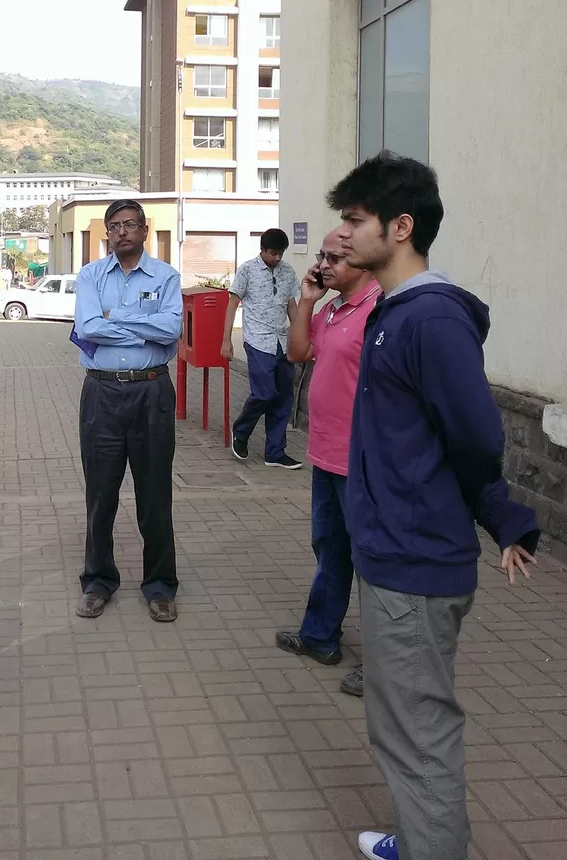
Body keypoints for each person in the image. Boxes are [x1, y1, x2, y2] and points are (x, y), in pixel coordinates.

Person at [327, 152, 539, 860]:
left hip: (416, 564)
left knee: (418, 729)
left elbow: (475, 436)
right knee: (400, 722)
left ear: (401, 227)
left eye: (355, 220)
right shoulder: (394, 313)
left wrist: (502, 513)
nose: (343, 234)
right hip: (395, 553)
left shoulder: (430, 321)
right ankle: (421, 838)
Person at [278, 229, 381, 697]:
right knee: (331, 548)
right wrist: (307, 301)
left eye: (335, 258)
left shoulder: (380, 309)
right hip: (327, 453)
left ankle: (385, 665)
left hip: (365, 460)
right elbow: (298, 352)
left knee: (375, 562)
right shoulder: (335, 308)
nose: (324, 265)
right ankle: (320, 636)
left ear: (363, 260)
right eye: (322, 256)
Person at [73, 199, 183, 622]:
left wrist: (114, 316)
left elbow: (170, 328)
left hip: (152, 393)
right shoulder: (90, 275)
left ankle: (160, 585)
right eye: (114, 226)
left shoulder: (166, 277)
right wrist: (143, 321)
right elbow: (86, 328)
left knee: (154, 494)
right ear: (107, 234)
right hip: (101, 394)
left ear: (144, 229)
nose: (122, 232)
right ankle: (98, 581)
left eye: (129, 225)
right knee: (100, 493)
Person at [221, 228, 302, 469]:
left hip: (282, 342)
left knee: (284, 397)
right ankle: (241, 432)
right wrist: (226, 340)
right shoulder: (247, 270)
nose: (278, 258)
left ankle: (275, 452)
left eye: (281, 253)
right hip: (258, 340)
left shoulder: (287, 271)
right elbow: (232, 304)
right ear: (263, 250)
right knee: (265, 393)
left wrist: (300, 336)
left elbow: (292, 307)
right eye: (274, 253)